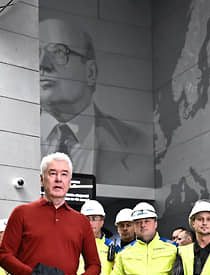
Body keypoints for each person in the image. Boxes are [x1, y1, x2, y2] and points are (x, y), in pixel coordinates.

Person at [39, 19, 150, 187]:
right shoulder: (11, 138)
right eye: (36, 53)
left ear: (90, 72)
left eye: (58, 53)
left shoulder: (138, 145)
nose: (42, 65)